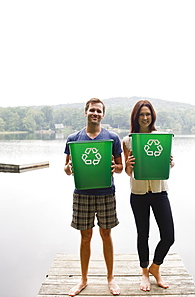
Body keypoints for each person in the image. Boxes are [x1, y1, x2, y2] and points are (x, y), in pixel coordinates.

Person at [64, 98, 123, 296]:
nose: (95, 114)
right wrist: (69, 168)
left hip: (106, 192)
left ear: (103, 114)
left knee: (106, 234)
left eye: (98, 111)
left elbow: (120, 167)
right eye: (92, 110)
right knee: (85, 236)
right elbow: (66, 168)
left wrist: (116, 167)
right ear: (86, 112)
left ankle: (110, 278)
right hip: (82, 194)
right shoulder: (73, 138)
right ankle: (83, 279)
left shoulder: (112, 138)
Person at [122, 99, 175, 292]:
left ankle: (156, 267)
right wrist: (129, 165)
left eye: (148, 114)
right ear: (136, 117)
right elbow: (128, 172)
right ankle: (145, 272)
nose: (145, 118)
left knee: (168, 236)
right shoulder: (128, 140)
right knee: (142, 234)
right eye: (141, 114)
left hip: (160, 192)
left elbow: (166, 165)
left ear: (152, 116)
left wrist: (169, 162)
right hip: (138, 193)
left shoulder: (161, 138)